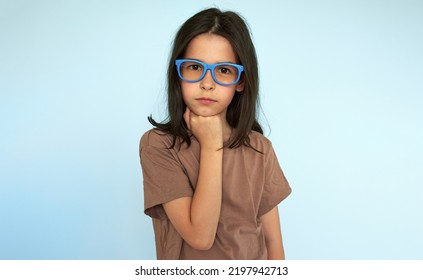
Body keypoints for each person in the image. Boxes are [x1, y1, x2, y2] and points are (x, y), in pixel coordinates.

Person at [139, 8, 291, 260]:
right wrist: (211, 145)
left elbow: (273, 241)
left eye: (223, 70)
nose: (207, 83)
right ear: (178, 74)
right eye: (194, 66)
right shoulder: (158, 145)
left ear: (241, 81)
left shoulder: (259, 148)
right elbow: (200, 237)